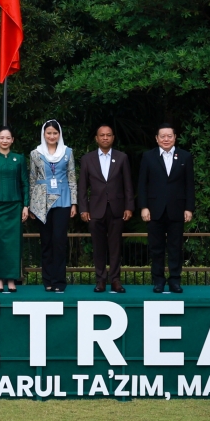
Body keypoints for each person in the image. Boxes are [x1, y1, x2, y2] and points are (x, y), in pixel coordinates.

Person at [137, 123, 195, 293]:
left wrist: (189, 208)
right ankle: (158, 280)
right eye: (162, 136)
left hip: (177, 209)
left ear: (175, 137)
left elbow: (189, 185)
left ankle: (175, 280)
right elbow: (142, 184)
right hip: (154, 209)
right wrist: (144, 207)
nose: (166, 139)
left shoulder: (185, 157)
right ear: (156, 138)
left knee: (176, 247)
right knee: (156, 247)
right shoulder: (148, 157)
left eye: (169, 136)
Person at [79, 124, 134, 294]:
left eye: (108, 135)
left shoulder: (122, 157)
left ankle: (115, 280)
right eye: (101, 135)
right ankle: (100, 280)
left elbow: (128, 185)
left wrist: (129, 206)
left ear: (113, 137)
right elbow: (82, 187)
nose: (105, 138)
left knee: (116, 246)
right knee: (98, 246)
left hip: (117, 209)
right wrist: (83, 209)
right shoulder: (87, 159)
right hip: (95, 210)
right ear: (96, 138)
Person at [29, 120, 77, 293]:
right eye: (48, 133)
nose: (51, 136)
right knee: (46, 242)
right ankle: (47, 280)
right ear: (44, 134)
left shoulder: (67, 152)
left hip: (63, 200)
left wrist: (74, 202)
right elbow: (32, 179)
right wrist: (31, 204)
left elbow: (71, 177)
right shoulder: (35, 153)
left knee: (59, 241)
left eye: (54, 133)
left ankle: (59, 281)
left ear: (59, 134)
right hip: (41, 202)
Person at [0, 127, 29, 293]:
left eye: (7, 138)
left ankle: (12, 279)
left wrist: (26, 205)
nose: (4, 140)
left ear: (12, 140)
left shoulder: (20, 158)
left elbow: (25, 183)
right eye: (1, 137)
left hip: (15, 206)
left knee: (13, 244)